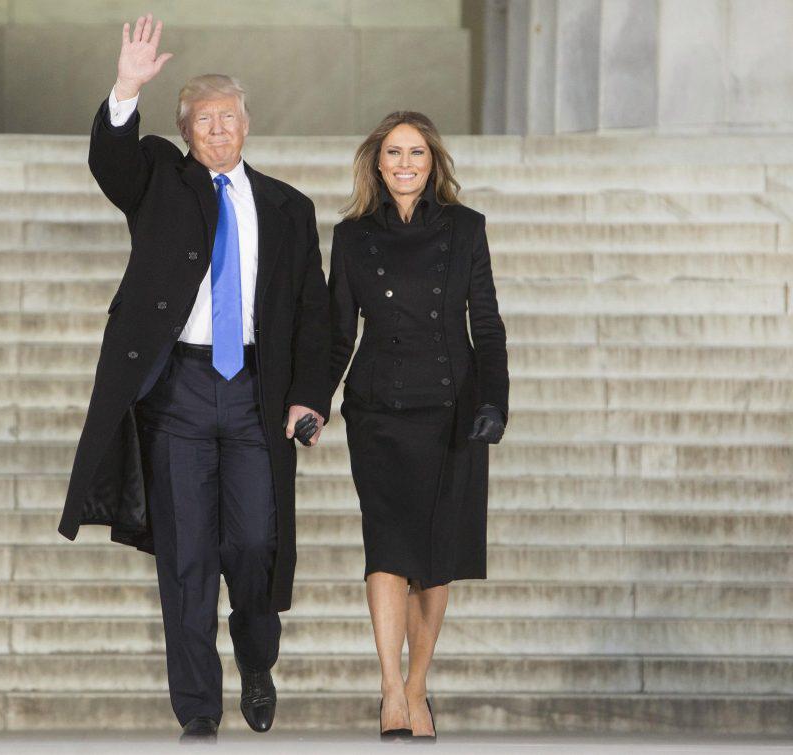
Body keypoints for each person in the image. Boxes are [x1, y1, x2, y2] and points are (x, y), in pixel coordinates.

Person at [56, 15, 331, 739]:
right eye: (204, 121)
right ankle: (199, 710)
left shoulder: (287, 208)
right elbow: (110, 161)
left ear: (247, 125)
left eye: (228, 118)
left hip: (254, 396)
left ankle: (257, 657)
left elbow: (313, 312)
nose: (217, 130)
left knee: (252, 543)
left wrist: (308, 395)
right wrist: (126, 87)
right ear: (186, 131)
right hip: (177, 390)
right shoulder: (158, 181)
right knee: (186, 556)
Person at [327, 111, 509, 740]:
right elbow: (335, 332)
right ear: (376, 163)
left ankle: (416, 687)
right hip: (377, 409)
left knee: (435, 560)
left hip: (450, 408)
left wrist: (494, 401)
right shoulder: (351, 237)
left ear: (433, 164)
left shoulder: (465, 230)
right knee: (385, 548)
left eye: (417, 154)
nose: (405, 164)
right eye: (394, 153)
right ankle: (388, 690)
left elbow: (485, 323)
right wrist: (308, 400)